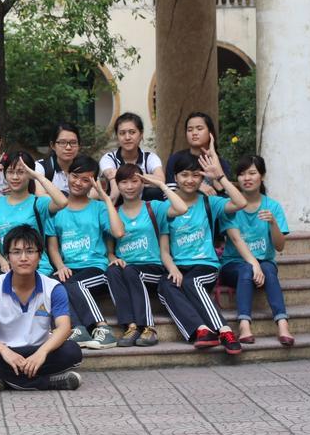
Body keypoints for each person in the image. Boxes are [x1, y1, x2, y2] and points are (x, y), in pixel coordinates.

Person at [156, 143, 247, 355]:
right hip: (180, 266)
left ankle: (224, 330)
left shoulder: (210, 202)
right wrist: (173, 269)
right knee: (165, 285)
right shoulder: (166, 208)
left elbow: (240, 202)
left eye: (195, 175)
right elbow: (164, 250)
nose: (190, 180)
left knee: (192, 282)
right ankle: (201, 330)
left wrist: (220, 177)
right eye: (184, 175)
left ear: (202, 178)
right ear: (175, 177)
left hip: (205, 265)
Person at [0, 225, 83, 391]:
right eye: (16, 252)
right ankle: (47, 382)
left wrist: (42, 353)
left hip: (38, 349)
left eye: (30, 251)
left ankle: (7, 380)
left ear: (40, 256)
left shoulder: (53, 288)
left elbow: (64, 327)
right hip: (3, 352)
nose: (23, 258)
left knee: (72, 351)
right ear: (7, 257)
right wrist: (4, 351)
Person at [46, 155, 125, 349]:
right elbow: (53, 246)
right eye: (75, 176)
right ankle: (77, 329)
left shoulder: (98, 208)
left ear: (93, 182)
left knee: (75, 283)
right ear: (67, 175)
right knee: (52, 285)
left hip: (96, 268)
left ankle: (103, 328)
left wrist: (105, 198)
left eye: (85, 179)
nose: (78, 183)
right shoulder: (56, 209)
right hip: (69, 268)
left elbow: (118, 232)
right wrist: (60, 266)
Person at [104, 164, 188, 347]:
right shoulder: (114, 213)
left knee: (131, 271)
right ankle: (131, 326)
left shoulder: (153, 207)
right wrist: (114, 259)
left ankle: (149, 328)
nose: (129, 186)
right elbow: (110, 251)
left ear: (142, 182)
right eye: (124, 182)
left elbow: (182, 208)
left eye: (134, 181)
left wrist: (161, 185)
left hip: (152, 268)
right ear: (117, 185)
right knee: (112, 271)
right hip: (127, 269)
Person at [219, 155, 294, 346]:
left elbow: (279, 246)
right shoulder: (230, 206)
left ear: (262, 176)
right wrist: (254, 265)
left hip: (264, 264)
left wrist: (273, 223)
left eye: (252, 173)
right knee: (246, 269)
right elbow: (235, 239)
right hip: (233, 265)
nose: (247, 178)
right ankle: (244, 325)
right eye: (242, 174)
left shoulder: (272, 206)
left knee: (268, 269)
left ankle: (283, 324)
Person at [0, 151, 68, 278]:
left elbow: (62, 202)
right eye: (10, 172)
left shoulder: (38, 203)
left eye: (21, 172)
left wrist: (38, 177)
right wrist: (3, 262)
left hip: (38, 268)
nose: (15, 177)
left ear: (30, 173)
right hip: (8, 269)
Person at [99, 113, 164, 202]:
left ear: (141, 134)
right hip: (118, 206)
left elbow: (161, 180)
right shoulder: (109, 158)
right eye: (122, 133)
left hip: (147, 208)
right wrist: (144, 178)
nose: (127, 137)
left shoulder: (150, 158)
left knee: (154, 192)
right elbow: (112, 180)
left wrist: (128, 176)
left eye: (132, 132)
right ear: (117, 136)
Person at [165, 111, 231, 194]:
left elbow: (224, 190)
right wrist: (196, 186)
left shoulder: (220, 162)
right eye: (190, 130)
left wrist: (213, 157)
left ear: (210, 133)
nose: (194, 133)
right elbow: (168, 194)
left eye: (199, 129)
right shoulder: (176, 159)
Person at [35, 122, 81, 195]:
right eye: (62, 142)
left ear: (79, 145)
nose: (68, 147)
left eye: (73, 142)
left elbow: (94, 193)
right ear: (52, 145)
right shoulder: (40, 167)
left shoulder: (86, 167)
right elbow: (41, 196)